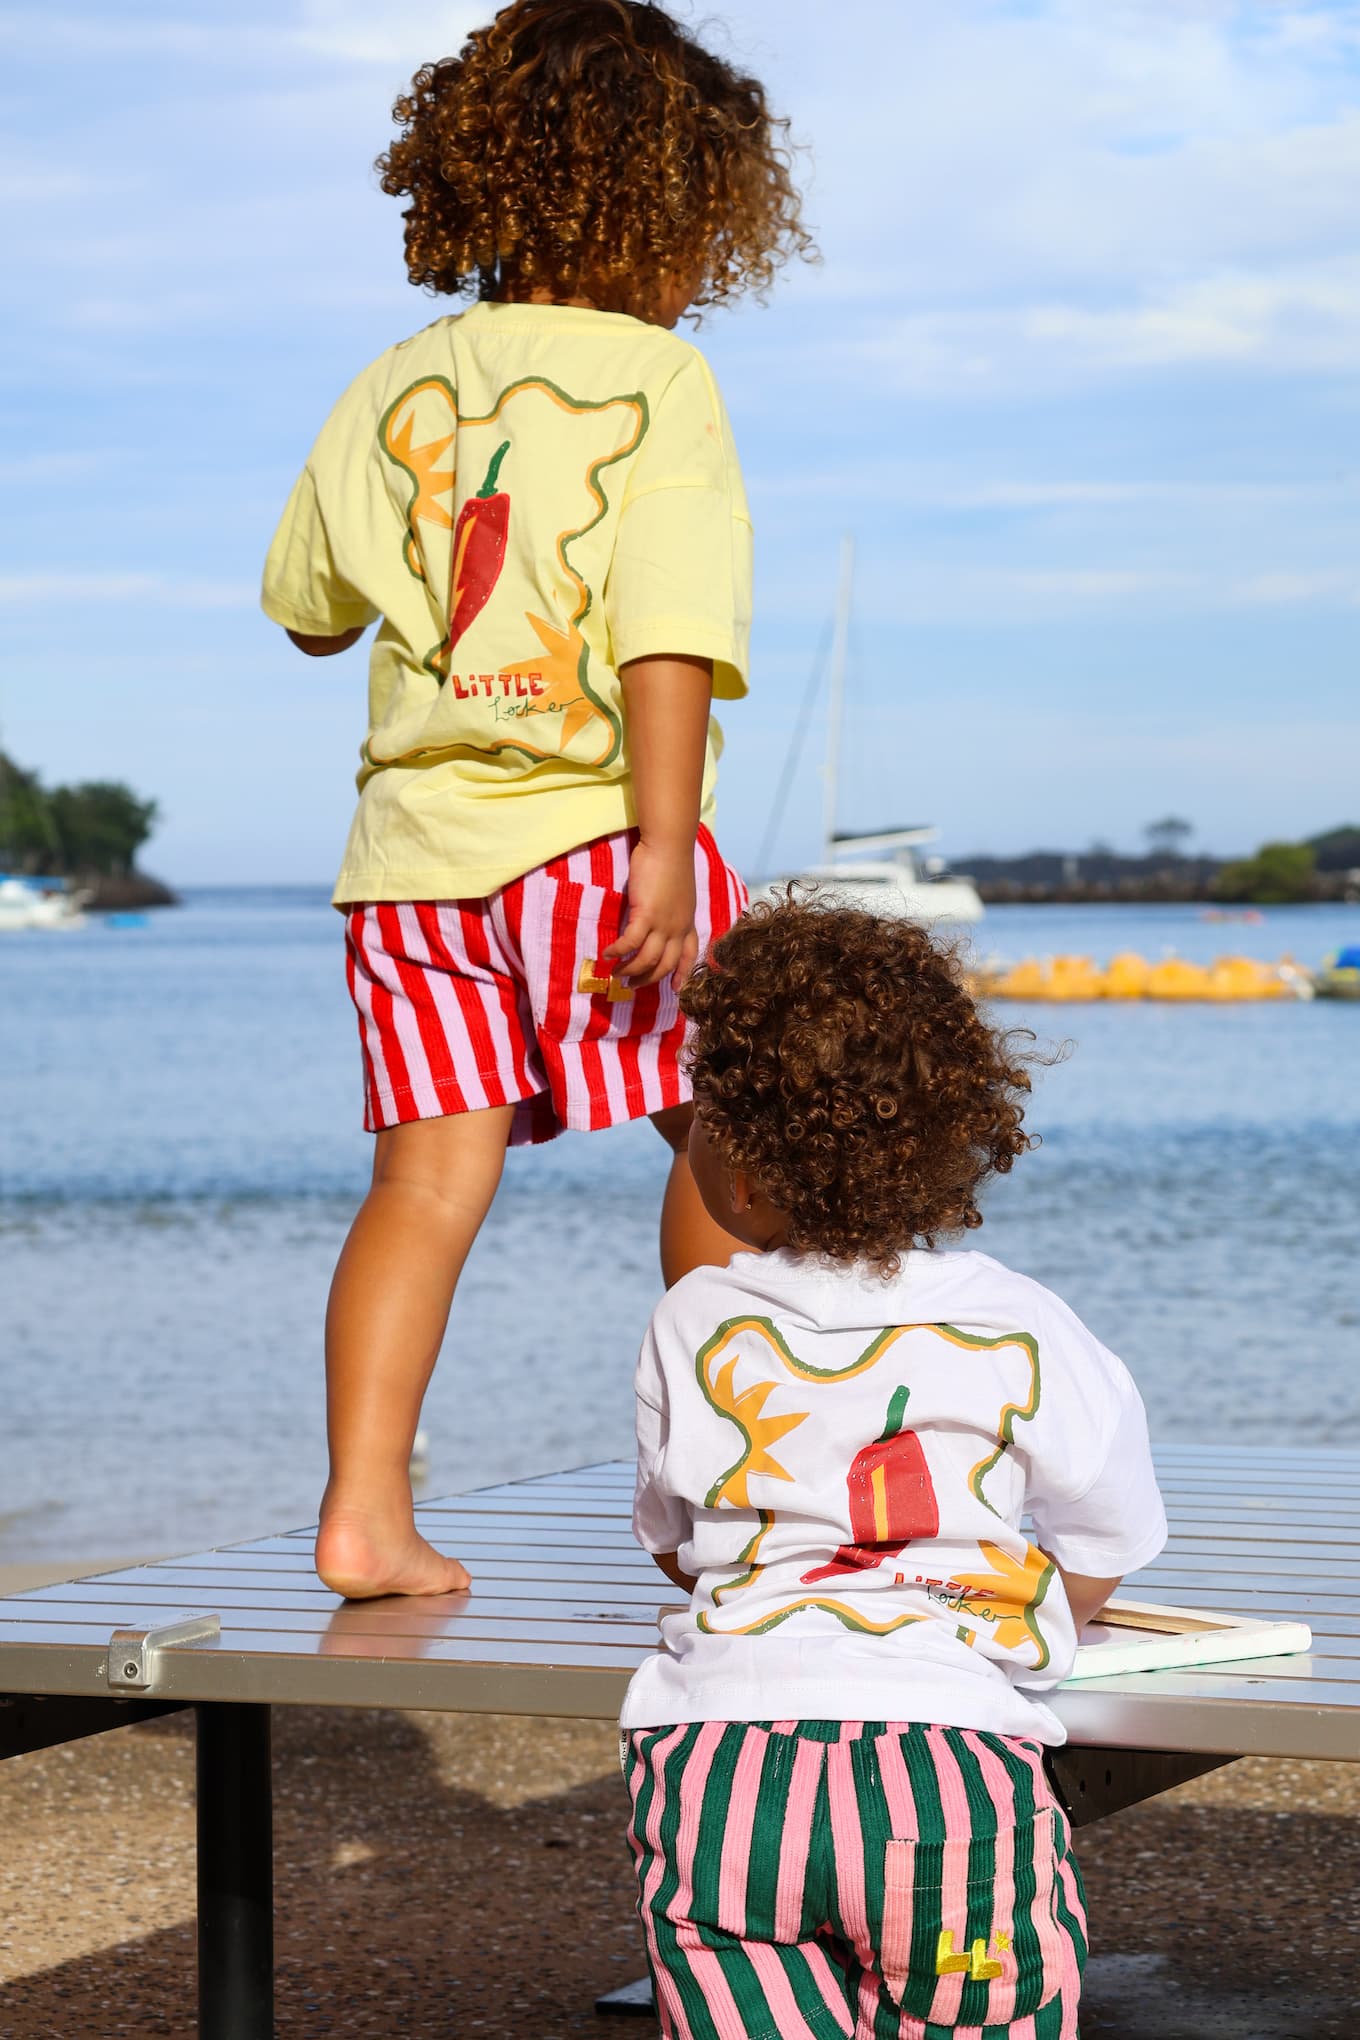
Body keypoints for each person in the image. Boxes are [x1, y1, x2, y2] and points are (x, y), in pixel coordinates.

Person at [260, 0, 812, 1598]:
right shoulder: (663, 382)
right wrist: (657, 844)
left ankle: (364, 1510)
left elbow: (307, 609)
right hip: (596, 838)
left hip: (411, 869)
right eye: (711, 225)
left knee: (424, 1186)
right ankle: (730, 1514)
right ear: (669, 204)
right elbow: (671, 633)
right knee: (723, 1142)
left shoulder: (392, 381)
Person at [621, 895, 1168, 2039]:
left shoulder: (697, 1320)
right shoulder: (1019, 1324)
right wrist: (1032, 1606)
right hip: (948, 1785)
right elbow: (1108, 1537)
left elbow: (679, 1545)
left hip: (719, 1779)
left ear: (744, 1157)